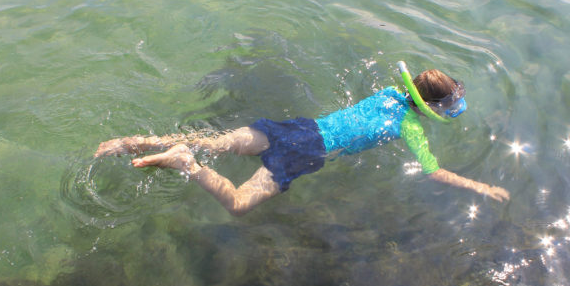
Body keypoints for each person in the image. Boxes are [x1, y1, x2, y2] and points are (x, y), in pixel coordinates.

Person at [94, 65, 510, 216]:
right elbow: (433, 173)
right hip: (308, 152)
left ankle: (130, 142)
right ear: (432, 106)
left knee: (216, 140)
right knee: (238, 204)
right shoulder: (411, 127)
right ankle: (186, 164)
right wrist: (481, 186)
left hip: (297, 127)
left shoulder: (388, 93)